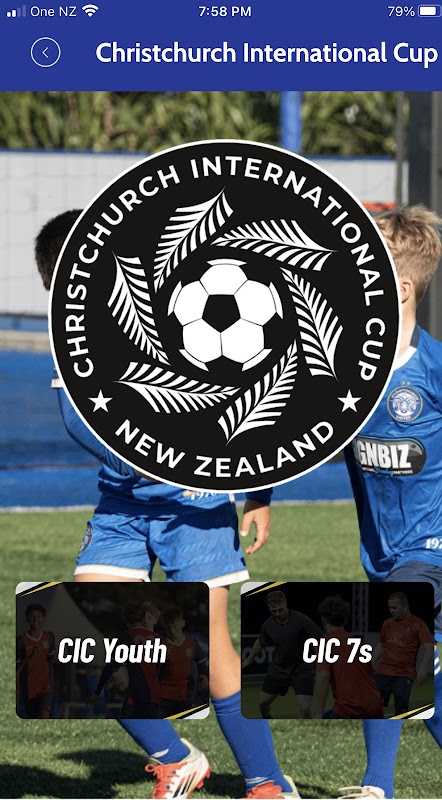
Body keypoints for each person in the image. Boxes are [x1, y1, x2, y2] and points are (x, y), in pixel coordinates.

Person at [35, 209, 298, 800]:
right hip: (123, 507)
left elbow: (264, 403)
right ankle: (176, 759)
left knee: (210, 643)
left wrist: (258, 491)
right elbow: (80, 424)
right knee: (79, 635)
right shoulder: (71, 338)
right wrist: (150, 456)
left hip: (196, 509)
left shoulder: (182, 306)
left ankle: (266, 782)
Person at [343, 206, 442, 799]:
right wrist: (259, 495)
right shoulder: (342, 370)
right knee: (419, 673)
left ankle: (375, 788)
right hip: (381, 549)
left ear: (401, 289)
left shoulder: (438, 369)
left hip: (435, 545)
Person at [242, 589, 323, 719]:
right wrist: (248, 660)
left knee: (305, 709)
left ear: (285, 604)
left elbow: (320, 638)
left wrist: (320, 662)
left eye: (280, 610)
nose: (277, 614)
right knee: (263, 704)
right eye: (273, 611)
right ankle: (268, 722)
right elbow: (260, 642)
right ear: (269, 608)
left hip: (302, 669)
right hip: (278, 669)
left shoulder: (301, 619)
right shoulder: (268, 624)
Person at [314, 595, 384, 720]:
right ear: (346, 620)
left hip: (349, 709)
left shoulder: (325, 642)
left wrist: (318, 713)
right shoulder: (356, 642)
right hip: (375, 706)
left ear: (323, 620)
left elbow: (323, 676)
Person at [91, 602, 163, 719]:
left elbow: (110, 667)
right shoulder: (159, 639)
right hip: (154, 696)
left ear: (125, 620)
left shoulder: (125, 637)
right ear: (142, 619)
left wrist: (97, 692)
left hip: (136, 695)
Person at [371, 592, 433, 716]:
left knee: (401, 709)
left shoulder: (418, 624)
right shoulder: (387, 624)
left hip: (404, 674)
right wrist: (371, 663)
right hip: (383, 672)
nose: (392, 611)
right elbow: (381, 645)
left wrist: (423, 668)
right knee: (372, 707)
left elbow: (429, 647)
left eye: (395, 608)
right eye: (390, 608)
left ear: (405, 605)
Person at [159, 604, 209, 716]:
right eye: (169, 627)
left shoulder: (192, 643)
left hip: (185, 697)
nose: (172, 631)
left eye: (175, 627)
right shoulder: (160, 644)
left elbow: (201, 664)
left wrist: (204, 677)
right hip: (163, 698)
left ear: (183, 623)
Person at [16, 604, 56, 719]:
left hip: (46, 687)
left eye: (39, 616)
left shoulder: (49, 636)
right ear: (27, 618)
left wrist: (56, 657)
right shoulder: (20, 640)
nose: (35, 619)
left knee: (44, 715)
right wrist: (29, 657)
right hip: (29, 688)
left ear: (43, 619)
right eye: (32, 616)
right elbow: (17, 667)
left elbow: (53, 657)